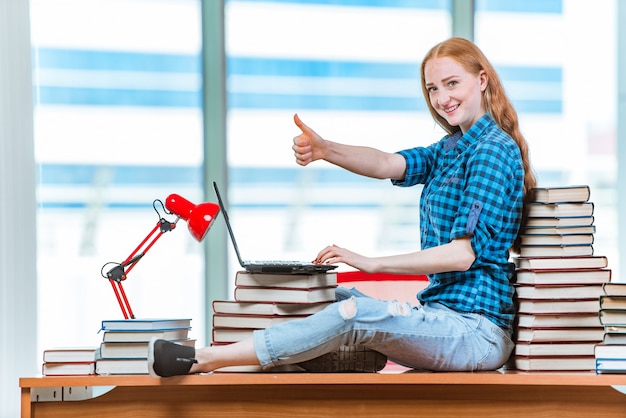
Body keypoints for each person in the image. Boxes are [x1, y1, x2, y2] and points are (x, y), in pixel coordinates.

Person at [148, 37, 536, 377]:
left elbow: (462, 254)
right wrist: (325, 150)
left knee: (355, 315)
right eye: (433, 88)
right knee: (327, 295)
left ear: (481, 80)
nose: (442, 98)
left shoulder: (492, 151)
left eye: (453, 84)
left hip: (476, 331)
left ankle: (204, 360)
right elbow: (388, 163)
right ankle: (259, 358)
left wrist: (373, 263)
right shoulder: (452, 148)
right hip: (440, 317)